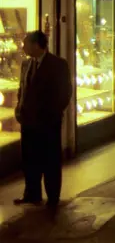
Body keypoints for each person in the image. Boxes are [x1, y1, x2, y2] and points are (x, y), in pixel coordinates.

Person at [13, 31, 71, 209]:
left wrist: (52, 113)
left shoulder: (58, 65)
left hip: (48, 122)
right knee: (29, 159)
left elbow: (65, 92)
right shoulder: (26, 64)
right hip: (28, 121)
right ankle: (32, 194)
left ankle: (53, 197)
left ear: (37, 45)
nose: (23, 48)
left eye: (26, 44)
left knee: (50, 160)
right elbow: (22, 88)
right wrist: (19, 108)